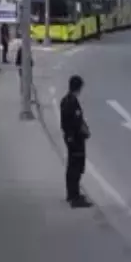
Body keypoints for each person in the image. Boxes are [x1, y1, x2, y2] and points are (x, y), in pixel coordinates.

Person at [59, 75, 92, 208]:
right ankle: (75, 197)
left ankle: (71, 194)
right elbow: (75, 122)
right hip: (75, 140)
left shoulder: (65, 100)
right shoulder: (72, 102)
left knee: (72, 166)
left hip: (70, 138)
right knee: (76, 168)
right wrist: (83, 133)